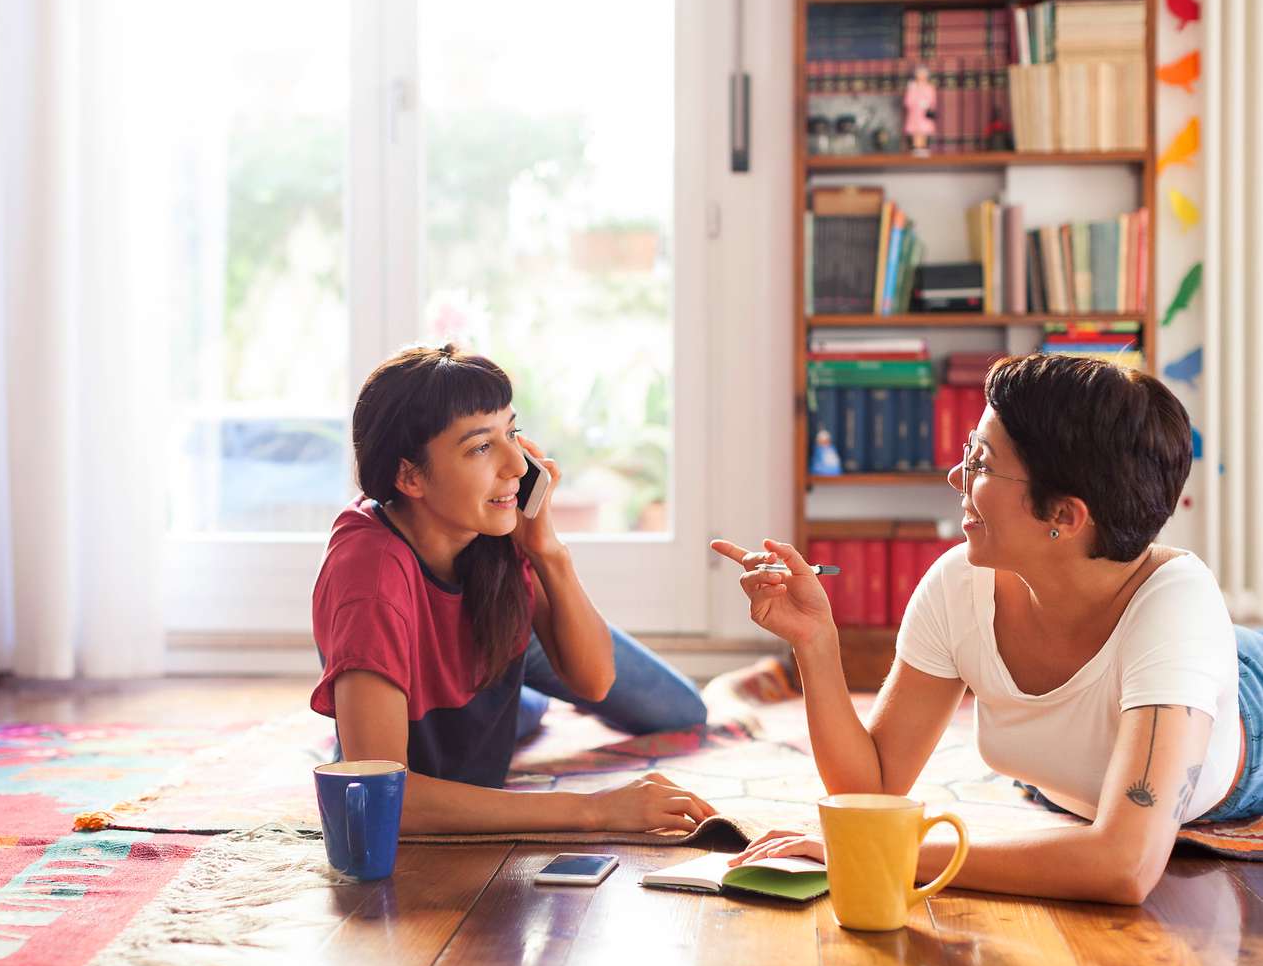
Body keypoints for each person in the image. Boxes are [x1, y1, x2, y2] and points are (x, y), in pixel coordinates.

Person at [712, 354, 1255, 905]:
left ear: (1064, 517)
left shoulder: (1176, 607)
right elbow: (872, 790)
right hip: (1108, 740)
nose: (957, 476)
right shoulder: (961, 583)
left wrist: (881, 849)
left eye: (984, 464)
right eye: (970, 452)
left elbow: (1125, 866)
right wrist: (816, 642)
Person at [311, 344, 714, 835]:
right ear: (410, 476)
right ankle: (461, 706)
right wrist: (595, 809)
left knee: (681, 709)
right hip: (417, 650)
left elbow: (593, 683)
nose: (518, 466)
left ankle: (515, 699)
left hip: (492, 643)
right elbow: (381, 798)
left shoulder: (493, 524)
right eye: (481, 446)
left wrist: (547, 551)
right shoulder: (371, 581)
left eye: (512, 432)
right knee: (439, 758)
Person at [903, 64, 937, 155]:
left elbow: (932, 100)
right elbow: (908, 101)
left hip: (925, 113)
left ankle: (923, 147)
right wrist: (916, 103)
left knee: (924, 130)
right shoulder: (912, 87)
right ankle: (916, 147)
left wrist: (928, 105)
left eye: (923, 75)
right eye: (920, 74)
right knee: (916, 131)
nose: (921, 77)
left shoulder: (929, 87)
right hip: (915, 113)